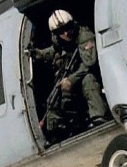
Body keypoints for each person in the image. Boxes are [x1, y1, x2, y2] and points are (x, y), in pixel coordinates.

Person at [33, 8, 108, 143]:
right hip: (70, 79)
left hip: (85, 77)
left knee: (89, 80)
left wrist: (71, 80)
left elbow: (89, 64)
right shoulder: (59, 40)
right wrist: (40, 53)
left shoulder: (84, 36)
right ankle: (55, 133)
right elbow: (55, 50)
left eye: (67, 28)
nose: (66, 33)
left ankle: (98, 117)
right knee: (53, 100)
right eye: (61, 32)